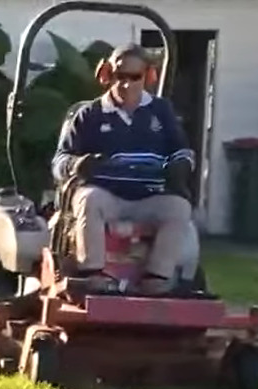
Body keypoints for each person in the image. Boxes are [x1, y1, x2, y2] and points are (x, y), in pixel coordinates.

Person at [51, 43, 196, 293]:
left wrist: (181, 165)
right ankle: (93, 274)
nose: (126, 84)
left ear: (148, 77)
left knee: (179, 207)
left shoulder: (162, 112)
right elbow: (59, 161)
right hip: (106, 195)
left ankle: (157, 277)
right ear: (107, 75)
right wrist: (77, 164)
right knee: (89, 198)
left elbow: (182, 150)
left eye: (135, 77)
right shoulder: (88, 115)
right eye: (120, 76)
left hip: (150, 195)